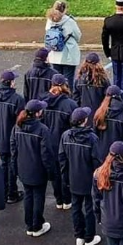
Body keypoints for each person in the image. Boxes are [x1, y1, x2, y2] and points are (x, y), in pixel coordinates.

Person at [59, 107, 102, 245]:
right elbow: (96, 160)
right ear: (84, 121)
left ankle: (79, 235)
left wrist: (65, 177)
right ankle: (90, 236)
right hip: (88, 178)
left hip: (73, 177)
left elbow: (62, 158)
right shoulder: (91, 138)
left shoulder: (65, 136)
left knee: (76, 207)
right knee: (89, 207)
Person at [10, 99, 55, 237]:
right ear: (37, 113)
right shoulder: (42, 130)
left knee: (28, 196)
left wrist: (15, 168)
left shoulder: (17, 127)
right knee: (38, 197)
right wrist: (50, 172)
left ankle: (29, 224)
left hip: (23, 168)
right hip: (38, 169)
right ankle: (37, 225)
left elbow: (13, 150)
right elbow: (46, 154)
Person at [0, 70, 25, 203]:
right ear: (10, 83)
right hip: (13, 137)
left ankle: (3, 191)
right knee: (12, 164)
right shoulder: (17, 99)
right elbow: (21, 121)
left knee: (4, 163)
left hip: (0, 136)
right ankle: (12, 193)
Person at [42, 73, 77, 209]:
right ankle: (67, 199)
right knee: (65, 171)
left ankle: (59, 199)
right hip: (64, 143)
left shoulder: (43, 103)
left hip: (49, 143)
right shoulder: (70, 104)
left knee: (55, 173)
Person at [93, 86, 123, 163]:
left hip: (102, 155)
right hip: (119, 154)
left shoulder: (99, 113)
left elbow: (95, 134)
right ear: (118, 96)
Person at [45, 0, 82, 89]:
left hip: (54, 53)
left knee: (57, 81)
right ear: (65, 9)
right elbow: (78, 36)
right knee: (68, 81)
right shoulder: (69, 21)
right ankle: (68, 99)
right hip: (68, 55)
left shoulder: (50, 20)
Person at [75, 52, 111, 117]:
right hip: (99, 113)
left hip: (84, 113)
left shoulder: (79, 79)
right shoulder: (103, 80)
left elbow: (76, 97)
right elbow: (108, 97)